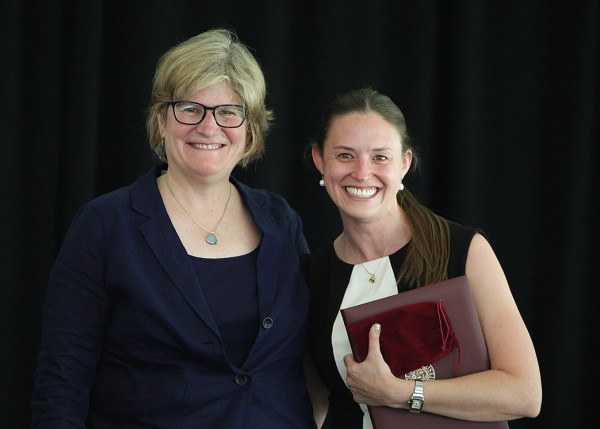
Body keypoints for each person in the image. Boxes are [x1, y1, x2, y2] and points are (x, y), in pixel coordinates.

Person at [31, 28, 316, 428]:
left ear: (250, 129)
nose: (209, 127)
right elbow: (64, 376)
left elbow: (311, 358)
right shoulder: (106, 225)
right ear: (161, 120)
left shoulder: (281, 220)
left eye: (229, 111)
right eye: (190, 108)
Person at [302, 88, 542, 429]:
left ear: (404, 163)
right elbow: (314, 402)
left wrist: (401, 392)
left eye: (380, 157)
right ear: (319, 160)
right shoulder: (311, 274)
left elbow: (525, 394)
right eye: (345, 155)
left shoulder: (463, 249)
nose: (361, 172)